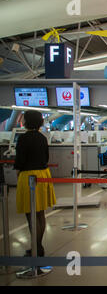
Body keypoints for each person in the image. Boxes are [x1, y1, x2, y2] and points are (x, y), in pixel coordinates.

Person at [14, 110, 56, 258]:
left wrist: (18, 173)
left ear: (26, 121)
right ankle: (38, 246)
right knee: (40, 214)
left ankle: (36, 248)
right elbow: (45, 157)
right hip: (43, 174)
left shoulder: (23, 139)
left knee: (30, 213)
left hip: (28, 176)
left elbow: (19, 161)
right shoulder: (42, 138)